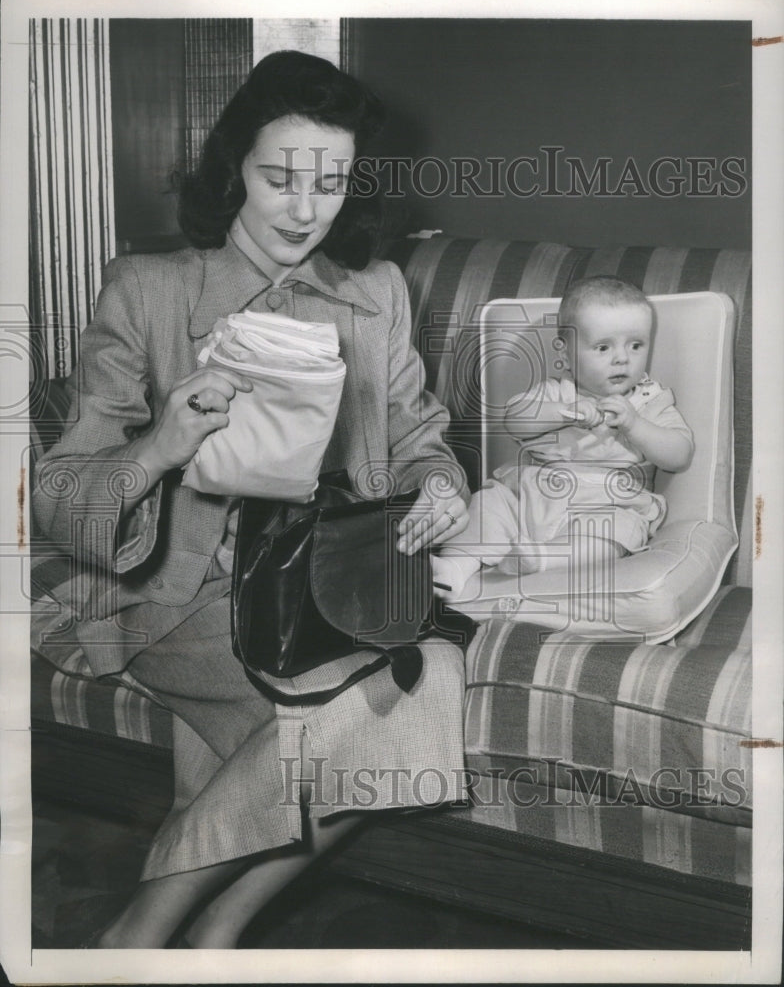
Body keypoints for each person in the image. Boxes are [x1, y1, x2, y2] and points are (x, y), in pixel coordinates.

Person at [32, 50, 470, 948]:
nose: (306, 211)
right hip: (176, 594)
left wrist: (441, 487)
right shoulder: (146, 290)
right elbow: (55, 496)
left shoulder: (376, 292)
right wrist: (157, 446)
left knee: (428, 682)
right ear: (233, 166)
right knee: (354, 711)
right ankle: (139, 937)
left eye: (333, 182)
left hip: (327, 586)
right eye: (279, 177)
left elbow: (425, 437)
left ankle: (210, 930)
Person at [432, 276, 694, 600]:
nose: (622, 358)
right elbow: (515, 419)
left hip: (607, 503)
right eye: (603, 347)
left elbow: (679, 453)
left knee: (616, 534)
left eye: (635, 345)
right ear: (564, 353)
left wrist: (635, 425)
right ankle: (455, 568)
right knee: (488, 504)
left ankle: (542, 560)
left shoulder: (648, 400)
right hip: (532, 497)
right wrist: (566, 411)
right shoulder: (557, 391)